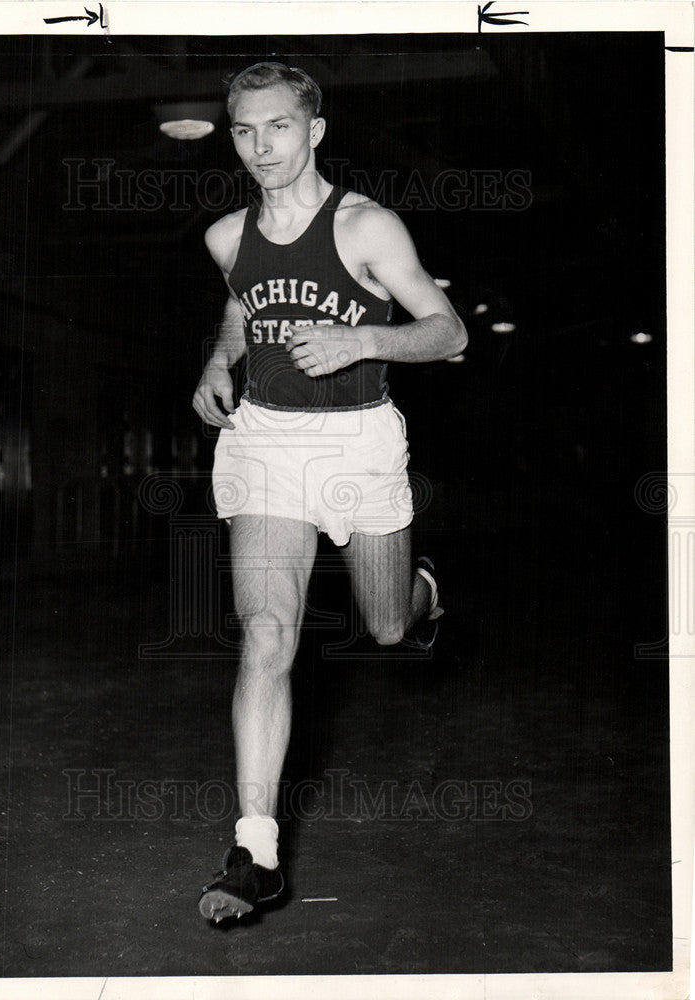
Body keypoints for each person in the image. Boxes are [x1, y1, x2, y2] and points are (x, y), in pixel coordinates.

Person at [192, 62, 467, 923]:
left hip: (358, 440)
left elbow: (449, 333)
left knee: (386, 627)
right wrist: (218, 358)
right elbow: (242, 310)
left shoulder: (366, 227)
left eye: (278, 126)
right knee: (267, 635)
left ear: (315, 130)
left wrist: (358, 342)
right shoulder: (226, 236)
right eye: (243, 129)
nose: (260, 146)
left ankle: (419, 594)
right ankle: (255, 850)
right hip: (267, 441)